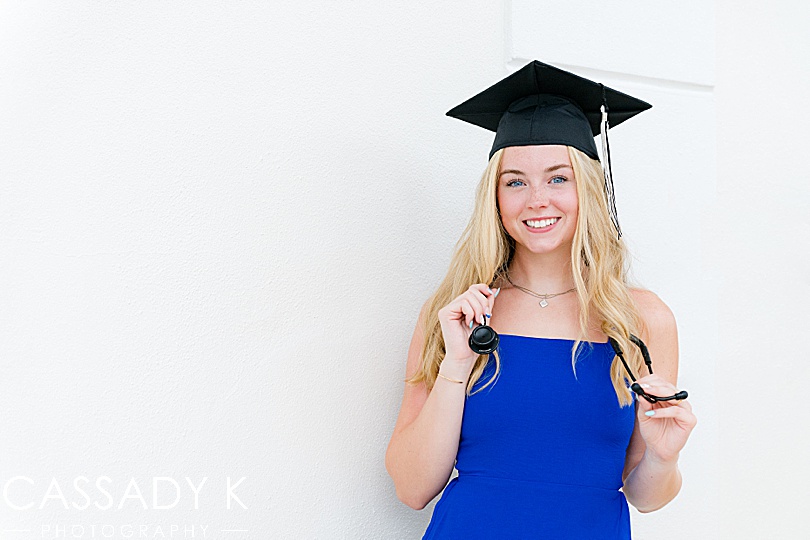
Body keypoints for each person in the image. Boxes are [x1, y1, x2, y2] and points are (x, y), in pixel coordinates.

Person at [384, 61, 697, 538]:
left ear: (588, 189)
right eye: (515, 181)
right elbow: (411, 488)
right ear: (495, 196)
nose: (536, 200)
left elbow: (644, 496)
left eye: (558, 178)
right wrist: (455, 365)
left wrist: (663, 454)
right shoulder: (457, 314)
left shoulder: (641, 319)